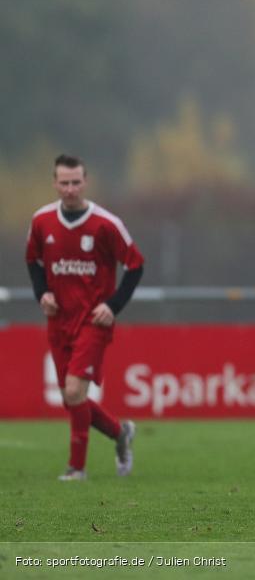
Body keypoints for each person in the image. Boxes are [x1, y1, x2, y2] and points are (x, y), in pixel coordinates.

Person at [25, 154, 144, 481]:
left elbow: (136, 265)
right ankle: (120, 432)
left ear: (85, 182)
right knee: (70, 396)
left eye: (76, 182)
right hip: (58, 321)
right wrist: (41, 294)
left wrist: (113, 306)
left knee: (75, 392)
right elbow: (33, 260)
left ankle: (76, 468)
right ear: (55, 183)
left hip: (93, 320)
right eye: (64, 182)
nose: (70, 189)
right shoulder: (42, 221)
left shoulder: (106, 224)